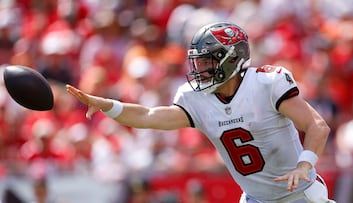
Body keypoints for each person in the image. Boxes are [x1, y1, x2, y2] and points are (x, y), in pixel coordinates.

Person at [66, 22, 335, 203]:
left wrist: (304, 165)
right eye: (199, 61)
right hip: (255, 198)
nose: (200, 69)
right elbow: (148, 116)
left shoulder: (267, 84)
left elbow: (317, 126)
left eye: (208, 61)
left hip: (301, 195)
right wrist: (108, 106)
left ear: (232, 58)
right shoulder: (195, 98)